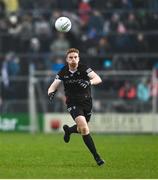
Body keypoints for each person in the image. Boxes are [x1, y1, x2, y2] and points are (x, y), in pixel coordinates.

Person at [48, 48, 105, 166]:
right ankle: (97, 157)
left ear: (78, 58)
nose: (73, 59)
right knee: (84, 128)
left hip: (87, 102)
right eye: (70, 57)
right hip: (73, 103)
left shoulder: (84, 68)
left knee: (81, 129)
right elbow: (53, 86)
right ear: (67, 60)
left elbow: (98, 78)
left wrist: (90, 82)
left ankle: (69, 130)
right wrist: (51, 93)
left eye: (75, 57)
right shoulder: (63, 72)